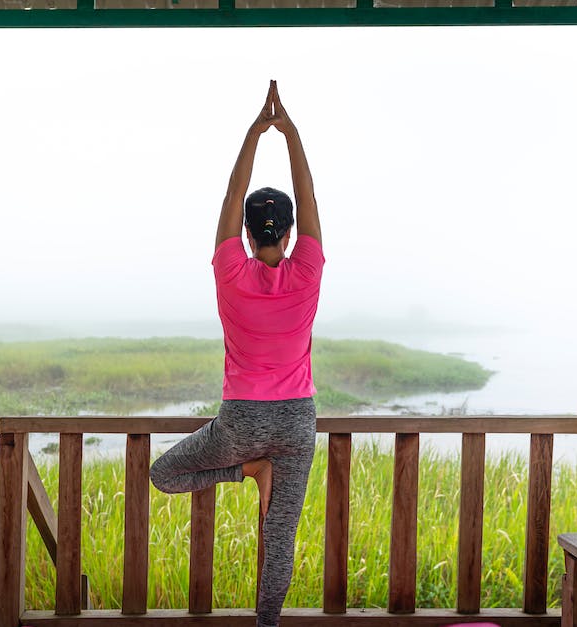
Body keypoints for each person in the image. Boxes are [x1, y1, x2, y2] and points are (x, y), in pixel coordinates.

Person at [149, 80, 324, 627]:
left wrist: (254, 133)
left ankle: (248, 469)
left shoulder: (230, 271)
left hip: (240, 422)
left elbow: (232, 196)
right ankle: (267, 625)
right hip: (296, 423)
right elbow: (309, 197)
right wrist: (290, 135)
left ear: (246, 235)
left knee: (162, 474)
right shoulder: (307, 270)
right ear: (289, 234)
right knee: (281, 537)